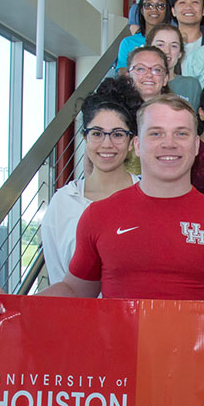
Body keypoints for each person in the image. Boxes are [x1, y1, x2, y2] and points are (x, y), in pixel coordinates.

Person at [0, 95, 204, 324]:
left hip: (196, 378)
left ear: (196, 146)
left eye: (180, 134)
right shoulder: (99, 216)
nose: (169, 143)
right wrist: (11, 307)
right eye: (156, 133)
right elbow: (74, 290)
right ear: (137, 145)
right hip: (118, 379)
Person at [39, 78, 142, 284]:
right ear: (85, 139)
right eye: (97, 133)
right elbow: (59, 282)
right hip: (76, 315)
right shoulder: (64, 203)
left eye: (118, 134)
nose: (107, 144)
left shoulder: (148, 197)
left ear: (132, 142)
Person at [147, 24, 202, 108]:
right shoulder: (142, 82)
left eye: (173, 46)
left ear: (180, 53)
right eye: (160, 45)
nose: (167, 51)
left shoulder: (191, 85)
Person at [116, 0, 171, 69]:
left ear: (167, 11)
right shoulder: (128, 42)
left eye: (160, 6)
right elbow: (123, 74)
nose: (154, 9)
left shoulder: (173, 41)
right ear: (142, 10)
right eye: (149, 5)